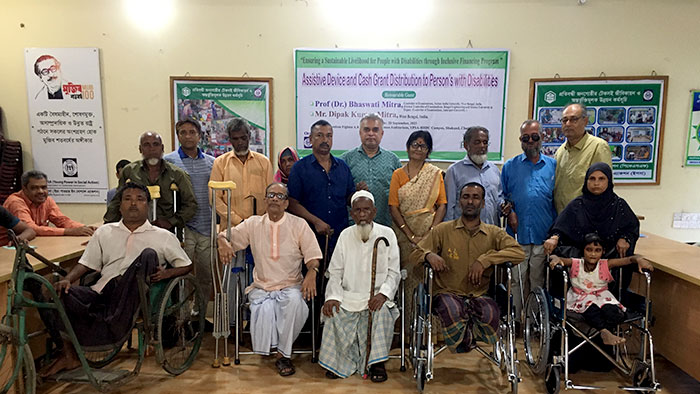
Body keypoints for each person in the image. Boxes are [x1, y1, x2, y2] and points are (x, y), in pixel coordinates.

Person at [40, 182, 192, 377]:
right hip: (102, 292)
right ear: (119, 205)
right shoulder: (105, 232)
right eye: (128, 199)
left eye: (140, 199)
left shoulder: (163, 236)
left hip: (136, 295)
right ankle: (69, 355)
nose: (133, 204)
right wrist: (68, 279)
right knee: (60, 292)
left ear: (148, 205)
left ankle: (113, 328)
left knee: (147, 255)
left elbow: (186, 265)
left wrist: (166, 274)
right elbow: (87, 263)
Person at [216, 182, 322, 376]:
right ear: (265, 200)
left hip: (291, 285)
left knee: (295, 304)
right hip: (262, 286)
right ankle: (274, 349)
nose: (275, 198)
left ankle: (283, 355)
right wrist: (222, 241)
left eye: (280, 196)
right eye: (271, 195)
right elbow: (227, 236)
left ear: (286, 204)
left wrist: (312, 272)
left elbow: (313, 256)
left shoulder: (298, 224)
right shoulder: (253, 223)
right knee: (264, 307)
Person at [410, 182, 525, 353]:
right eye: (466, 197)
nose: (470, 202)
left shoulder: (494, 233)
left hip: (480, 294)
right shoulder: (442, 230)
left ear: (483, 203)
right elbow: (415, 254)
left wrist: (486, 260)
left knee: (490, 314)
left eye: (475, 197)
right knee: (453, 311)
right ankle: (464, 339)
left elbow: (519, 253)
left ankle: (468, 336)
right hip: (447, 293)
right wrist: (428, 255)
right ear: (459, 201)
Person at [319, 191, 400, 382]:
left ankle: (376, 364)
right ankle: (338, 363)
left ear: (374, 211)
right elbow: (335, 272)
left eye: (366, 210)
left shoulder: (387, 234)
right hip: (348, 296)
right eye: (358, 211)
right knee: (333, 311)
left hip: (377, 296)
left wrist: (384, 294)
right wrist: (332, 296)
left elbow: (394, 272)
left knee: (381, 312)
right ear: (352, 214)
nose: (362, 214)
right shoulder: (345, 235)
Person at [549, 233, 654, 345]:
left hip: (602, 295)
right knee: (591, 310)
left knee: (613, 311)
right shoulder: (576, 263)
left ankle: (605, 331)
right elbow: (554, 257)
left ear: (603, 251)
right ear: (583, 251)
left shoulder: (606, 264)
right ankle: (605, 333)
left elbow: (630, 259)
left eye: (597, 250)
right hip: (581, 296)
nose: (593, 254)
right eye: (589, 250)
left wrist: (639, 259)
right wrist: (555, 259)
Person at [501, 120, 557, 327]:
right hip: (518, 233)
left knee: (537, 281)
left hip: (544, 234)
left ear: (543, 138)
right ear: (520, 140)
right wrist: (509, 210)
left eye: (535, 137)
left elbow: (557, 199)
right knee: (516, 280)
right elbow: (501, 196)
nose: (531, 141)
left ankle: (533, 322)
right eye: (526, 138)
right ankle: (515, 320)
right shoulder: (510, 166)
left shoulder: (553, 165)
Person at [388, 130, 446, 322]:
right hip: (404, 235)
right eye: (414, 144)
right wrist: (411, 236)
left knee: (428, 281)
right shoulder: (398, 174)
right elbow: (393, 207)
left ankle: (428, 330)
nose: (418, 149)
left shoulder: (435, 174)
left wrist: (430, 234)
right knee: (406, 282)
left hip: (429, 233)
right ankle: (406, 329)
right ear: (407, 147)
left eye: (422, 146)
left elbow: (442, 205)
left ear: (428, 151)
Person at [287, 120, 355, 262]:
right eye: (320, 135)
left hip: (339, 236)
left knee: (339, 280)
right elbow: (292, 203)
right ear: (310, 139)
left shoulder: (343, 167)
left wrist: (359, 195)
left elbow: (349, 197)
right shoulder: (299, 168)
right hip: (309, 235)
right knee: (314, 280)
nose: (325, 140)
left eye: (329, 136)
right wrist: (316, 221)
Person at [164, 118, 216, 302]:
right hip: (181, 228)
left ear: (199, 136)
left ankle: (199, 315)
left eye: (192, 132)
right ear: (177, 136)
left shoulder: (212, 162)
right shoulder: (168, 161)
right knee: (181, 275)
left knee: (205, 275)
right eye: (183, 132)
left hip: (206, 227)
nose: (188, 136)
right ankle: (182, 317)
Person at [544, 162, 640, 261]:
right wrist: (554, 238)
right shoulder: (577, 205)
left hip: (610, 262)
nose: (596, 183)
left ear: (609, 181)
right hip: (579, 262)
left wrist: (625, 238)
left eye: (601, 179)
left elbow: (631, 228)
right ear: (586, 181)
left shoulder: (618, 205)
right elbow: (560, 228)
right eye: (592, 179)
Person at [104, 132, 197, 230]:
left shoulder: (177, 174)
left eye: (155, 144)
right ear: (140, 149)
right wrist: (106, 227)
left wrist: (171, 221)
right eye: (146, 145)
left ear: (162, 148)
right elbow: (117, 201)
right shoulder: (129, 171)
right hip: (135, 228)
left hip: (166, 230)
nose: (151, 149)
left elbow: (191, 204)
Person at [340, 113, 401, 227]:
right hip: (354, 225)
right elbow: (338, 192)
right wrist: (354, 192)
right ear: (360, 133)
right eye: (367, 129)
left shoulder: (393, 160)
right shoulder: (346, 160)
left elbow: (401, 194)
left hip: (385, 223)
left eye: (375, 130)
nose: (371, 134)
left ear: (381, 134)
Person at [3, 171, 97, 243]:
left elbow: (62, 220)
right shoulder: (15, 202)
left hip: (36, 243)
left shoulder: (47, 200)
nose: (40, 191)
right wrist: (70, 231)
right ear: (24, 189)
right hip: (6, 248)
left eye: (44, 187)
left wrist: (84, 228)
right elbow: (32, 229)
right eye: (34, 188)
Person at [210, 118, 274, 223]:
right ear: (230, 140)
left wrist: (260, 222)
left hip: (258, 226)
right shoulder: (220, 163)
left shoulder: (264, 163)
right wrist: (238, 221)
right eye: (235, 139)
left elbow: (271, 195)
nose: (240, 142)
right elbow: (214, 198)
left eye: (243, 138)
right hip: (231, 228)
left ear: (249, 136)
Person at [553, 103, 613, 213]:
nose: (568, 124)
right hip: (562, 219)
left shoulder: (598, 146)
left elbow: (603, 187)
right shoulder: (561, 151)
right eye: (564, 120)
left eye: (574, 119)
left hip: (587, 219)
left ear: (585, 121)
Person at [444, 126, 505, 225]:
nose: (482, 146)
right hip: (463, 232)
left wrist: (502, 205)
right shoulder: (454, 171)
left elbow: (498, 198)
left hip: (490, 232)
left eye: (485, 142)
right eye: (477, 142)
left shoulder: (494, 170)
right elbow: (449, 207)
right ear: (466, 145)